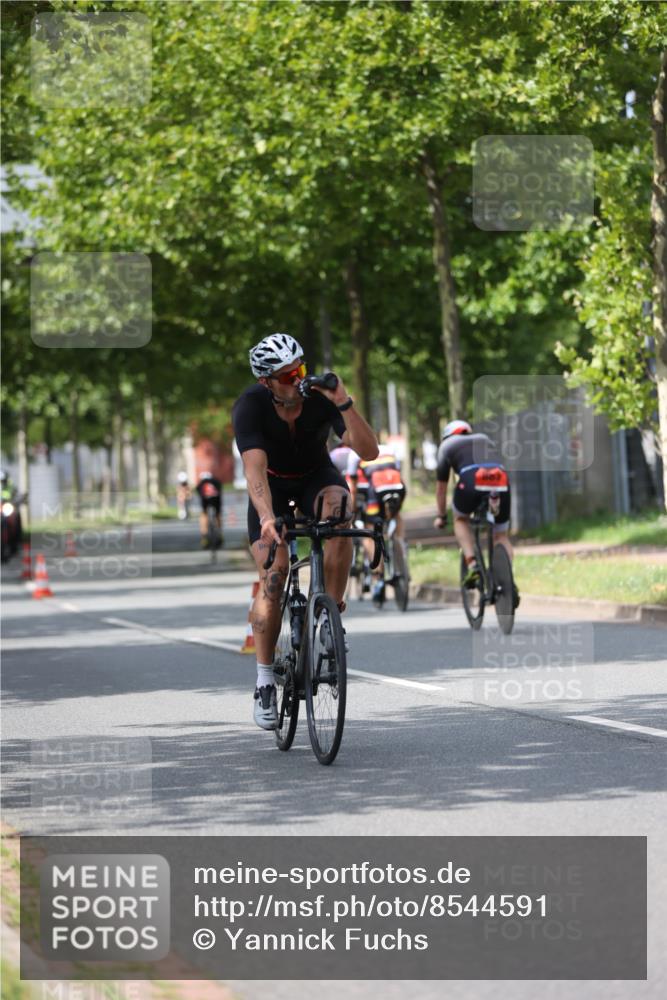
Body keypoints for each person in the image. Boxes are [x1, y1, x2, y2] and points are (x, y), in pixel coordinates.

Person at [232, 332, 379, 730]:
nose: (298, 379)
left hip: (316, 475)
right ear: (266, 382)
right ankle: (265, 681)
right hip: (272, 487)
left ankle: (330, 620)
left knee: (341, 511)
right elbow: (254, 472)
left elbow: (368, 452)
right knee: (274, 577)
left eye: (301, 369)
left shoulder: (317, 397)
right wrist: (266, 517)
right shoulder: (251, 406)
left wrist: (343, 401)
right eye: (286, 375)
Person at [434, 419, 518, 604]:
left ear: (447, 435)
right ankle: (508, 580)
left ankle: (472, 564)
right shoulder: (485, 439)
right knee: (501, 535)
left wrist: (441, 516)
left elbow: (441, 488)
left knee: (460, 519)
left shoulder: (446, 446)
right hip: (499, 480)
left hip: (471, 480)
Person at [347, 443, 406, 606]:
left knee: (369, 532)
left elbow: (352, 487)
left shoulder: (354, 454)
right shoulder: (390, 448)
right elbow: (398, 471)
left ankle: (378, 575)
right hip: (397, 487)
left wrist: (350, 513)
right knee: (396, 515)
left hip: (375, 491)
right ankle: (400, 544)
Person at [195, 471, 223, 547]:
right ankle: (219, 533)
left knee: (204, 514)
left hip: (205, 499)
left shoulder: (201, 483)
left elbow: (197, 491)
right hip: (216, 498)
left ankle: (204, 536)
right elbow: (220, 490)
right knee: (217, 514)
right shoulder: (216, 482)